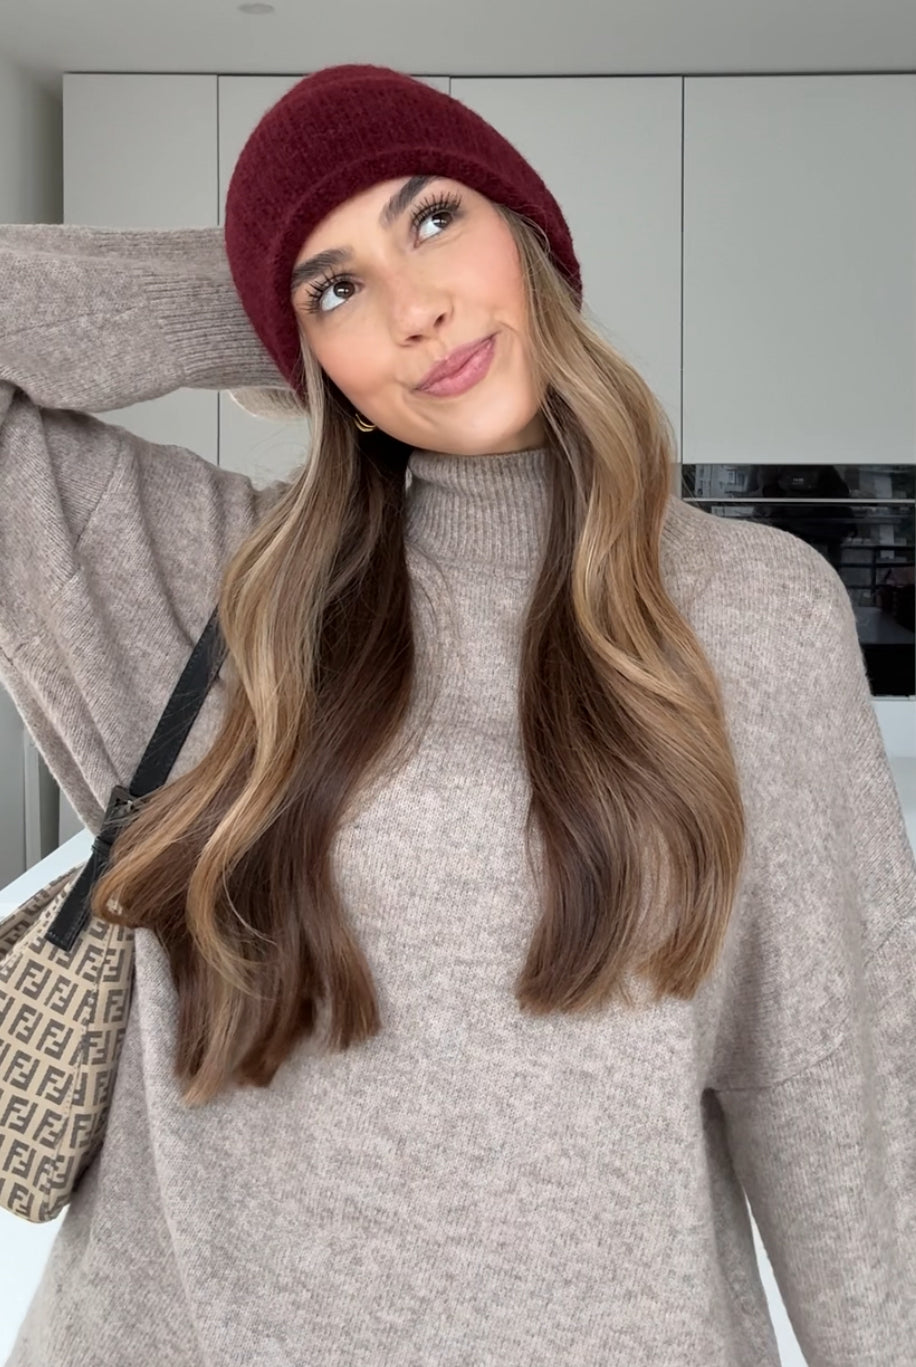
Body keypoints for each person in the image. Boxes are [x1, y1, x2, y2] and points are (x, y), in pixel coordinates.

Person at [1, 63, 914, 1367]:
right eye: (339, 287)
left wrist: (316, 279)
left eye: (435, 220)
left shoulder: (756, 615)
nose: (416, 310)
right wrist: (261, 289)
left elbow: (843, 1105)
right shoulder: (209, 581)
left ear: (526, 230)